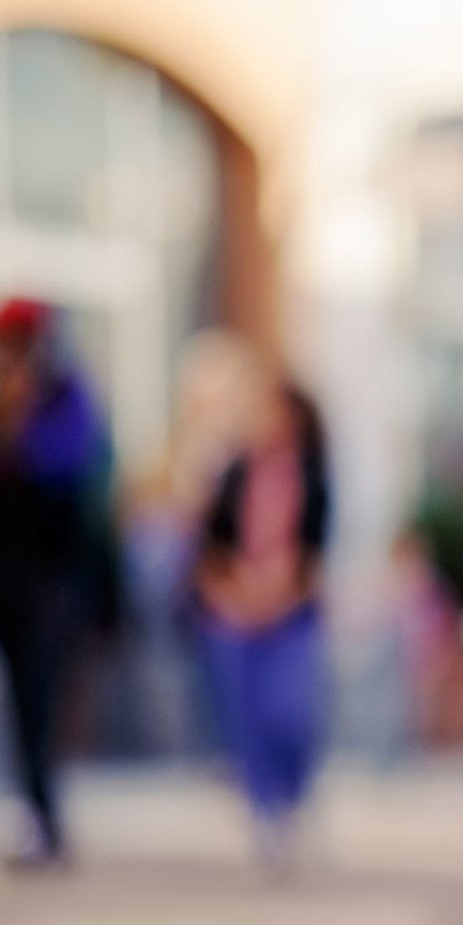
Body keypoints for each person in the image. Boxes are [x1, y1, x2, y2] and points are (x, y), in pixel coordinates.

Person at [0, 297, 114, 872]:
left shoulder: (66, 401)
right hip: (2, 575)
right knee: (16, 692)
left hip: (54, 575)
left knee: (45, 689)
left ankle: (43, 809)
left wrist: (24, 424)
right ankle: (33, 807)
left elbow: (72, 468)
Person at [191, 375, 332, 876]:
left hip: (290, 612)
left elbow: (316, 553)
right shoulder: (234, 471)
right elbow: (210, 545)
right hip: (235, 615)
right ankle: (264, 814)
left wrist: (280, 593)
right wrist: (233, 592)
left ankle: (293, 799)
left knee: (290, 713)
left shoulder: (313, 475)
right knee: (246, 720)